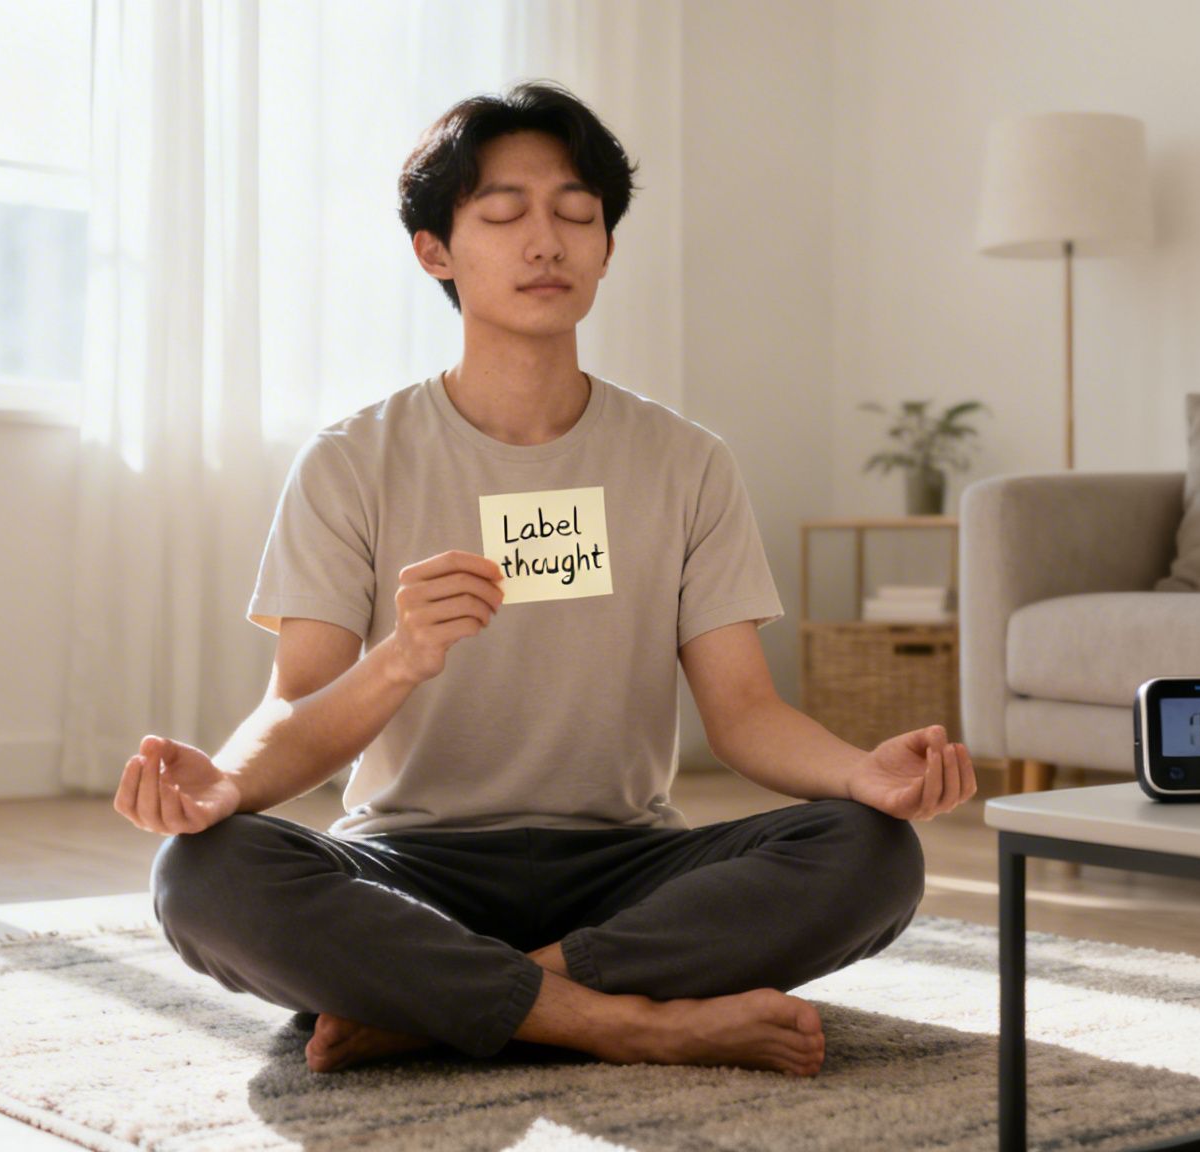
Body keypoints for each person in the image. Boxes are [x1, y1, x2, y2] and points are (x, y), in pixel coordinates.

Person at [113, 81, 975, 1079]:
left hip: (623, 866)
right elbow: (294, 707)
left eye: (575, 213)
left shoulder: (686, 461)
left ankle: (443, 1003)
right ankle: (623, 1022)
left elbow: (741, 714)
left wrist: (858, 773)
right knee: (203, 875)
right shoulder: (350, 459)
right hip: (409, 865)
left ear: (606, 247)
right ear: (435, 250)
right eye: (503, 212)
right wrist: (390, 667)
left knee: (872, 854)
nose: (546, 241)